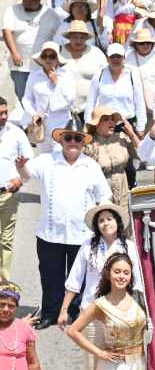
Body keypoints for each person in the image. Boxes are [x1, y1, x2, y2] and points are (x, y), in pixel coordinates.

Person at [16, 117, 111, 330]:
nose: (72, 142)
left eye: (77, 138)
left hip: (82, 234)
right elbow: (26, 176)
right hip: (50, 233)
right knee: (50, 276)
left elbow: (104, 195)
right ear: (61, 140)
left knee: (80, 277)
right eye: (68, 138)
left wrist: (104, 220)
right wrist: (21, 167)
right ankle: (50, 313)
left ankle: (77, 313)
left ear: (83, 142)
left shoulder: (91, 166)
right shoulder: (46, 160)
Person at [59, 200, 141, 370]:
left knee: (120, 358)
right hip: (92, 310)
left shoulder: (129, 247)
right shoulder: (88, 246)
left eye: (110, 219)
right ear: (97, 225)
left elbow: (138, 282)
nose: (106, 223)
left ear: (118, 222)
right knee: (92, 359)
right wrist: (65, 309)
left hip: (121, 311)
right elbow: (74, 280)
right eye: (102, 220)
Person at [0, 97, 30, 280]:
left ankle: (3, 285)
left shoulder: (17, 133)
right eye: (0, 114)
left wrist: (21, 179)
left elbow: (28, 161)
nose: (4, 117)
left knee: (5, 241)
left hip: (8, 195)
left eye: (5, 112)